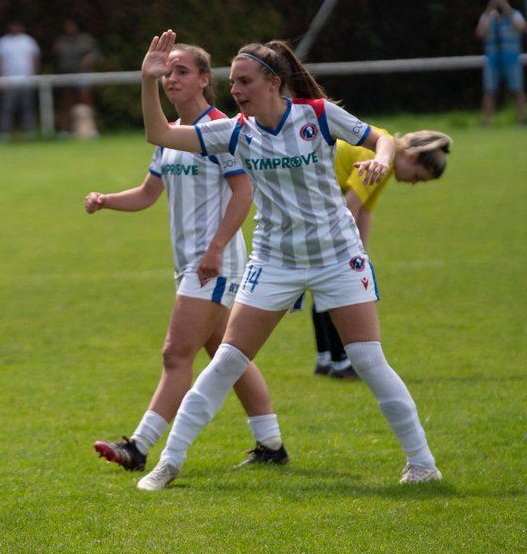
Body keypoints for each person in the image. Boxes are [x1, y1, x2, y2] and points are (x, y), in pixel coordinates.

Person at [134, 30, 441, 491]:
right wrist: (146, 81)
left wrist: (380, 159)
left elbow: (383, 140)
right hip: (275, 261)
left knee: (367, 359)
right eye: (233, 83)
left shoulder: (317, 115)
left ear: (274, 82)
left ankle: (422, 463)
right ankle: (168, 462)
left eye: (245, 82)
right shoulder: (234, 131)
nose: (236, 91)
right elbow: (159, 134)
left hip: (337, 256)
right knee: (227, 361)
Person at [89, 43, 288, 475]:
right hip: (191, 264)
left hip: (213, 265)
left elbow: (244, 192)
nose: (172, 79)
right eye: (167, 73)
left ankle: (139, 446)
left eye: (181, 71)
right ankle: (271, 444)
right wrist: (106, 201)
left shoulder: (221, 130)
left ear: (204, 79)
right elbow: (148, 194)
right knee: (227, 355)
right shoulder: (173, 134)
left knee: (175, 354)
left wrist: (216, 248)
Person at [309, 130, 452, 379]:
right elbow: (350, 207)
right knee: (336, 287)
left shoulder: (385, 159)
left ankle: (326, 359)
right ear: (412, 157)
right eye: (418, 177)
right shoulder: (379, 159)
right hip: (311, 200)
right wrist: (347, 255)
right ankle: (340, 363)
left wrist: (362, 255)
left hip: (318, 203)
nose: (414, 183)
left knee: (325, 284)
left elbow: (365, 210)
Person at [475, 0, 527, 125]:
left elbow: (522, 28)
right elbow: (480, 33)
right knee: (489, 91)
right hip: (492, 60)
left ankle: (522, 119)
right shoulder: (487, 16)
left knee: (518, 89)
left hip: (512, 59)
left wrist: (507, 9)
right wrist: (488, 11)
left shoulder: (515, 14)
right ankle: (486, 121)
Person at [0, 20, 40, 142]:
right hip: (8, 80)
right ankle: (4, 133)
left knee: (27, 107)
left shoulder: (28, 41)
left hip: (27, 80)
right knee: (7, 108)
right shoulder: (2, 42)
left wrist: (35, 77)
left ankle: (29, 132)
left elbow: (35, 60)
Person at [54, 19, 99, 137]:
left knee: (86, 101)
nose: (69, 28)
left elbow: (95, 53)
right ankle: (65, 131)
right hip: (66, 74)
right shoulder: (62, 40)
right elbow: (56, 53)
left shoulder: (85, 39)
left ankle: (91, 130)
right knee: (67, 103)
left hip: (82, 73)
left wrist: (89, 59)